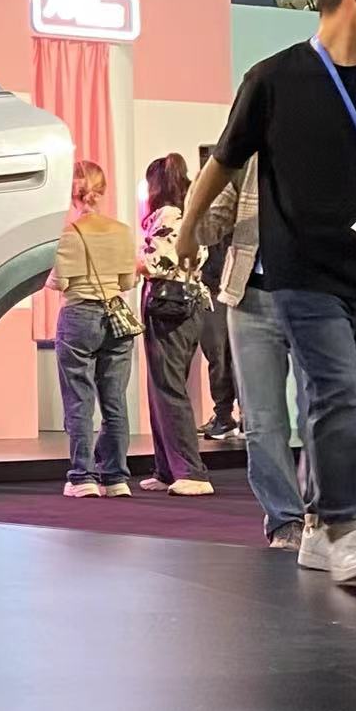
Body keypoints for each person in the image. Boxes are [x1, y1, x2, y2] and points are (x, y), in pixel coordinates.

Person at [179, 0, 356, 585]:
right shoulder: (273, 79)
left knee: (355, 403)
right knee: (330, 392)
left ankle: (315, 527)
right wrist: (188, 229)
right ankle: (342, 529)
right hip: (298, 275)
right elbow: (222, 163)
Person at [202, 159, 316, 549]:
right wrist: (210, 182)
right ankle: (285, 519)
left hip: (318, 295)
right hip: (251, 295)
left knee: (320, 412)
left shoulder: (337, 147)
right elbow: (206, 227)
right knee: (261, 420)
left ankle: (319, 513)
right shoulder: (250, 158)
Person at [48, 161, 140, 499]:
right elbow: (127, 282)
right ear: (102, 190)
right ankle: (116, 478)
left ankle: (82, 477)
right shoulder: (122, 231)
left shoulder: (68, 234)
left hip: (78, 316)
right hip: (117, 316)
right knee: (115, 402)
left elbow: (59, 282)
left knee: (79, 402)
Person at [139, 153, 215, 496]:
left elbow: (161, 261)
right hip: (190, 305)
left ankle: (190, 471)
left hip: (169, 306)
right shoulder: (190, 211)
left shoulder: (167, 215)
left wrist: (129, 261)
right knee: (165, 388)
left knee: (168, 389)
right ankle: (168, 469)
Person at [197, 201, 242, 442]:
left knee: (225, 357)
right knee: (220, 356)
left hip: (227, 289)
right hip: (220, 288)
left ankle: (231, 417)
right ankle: (225, 416)